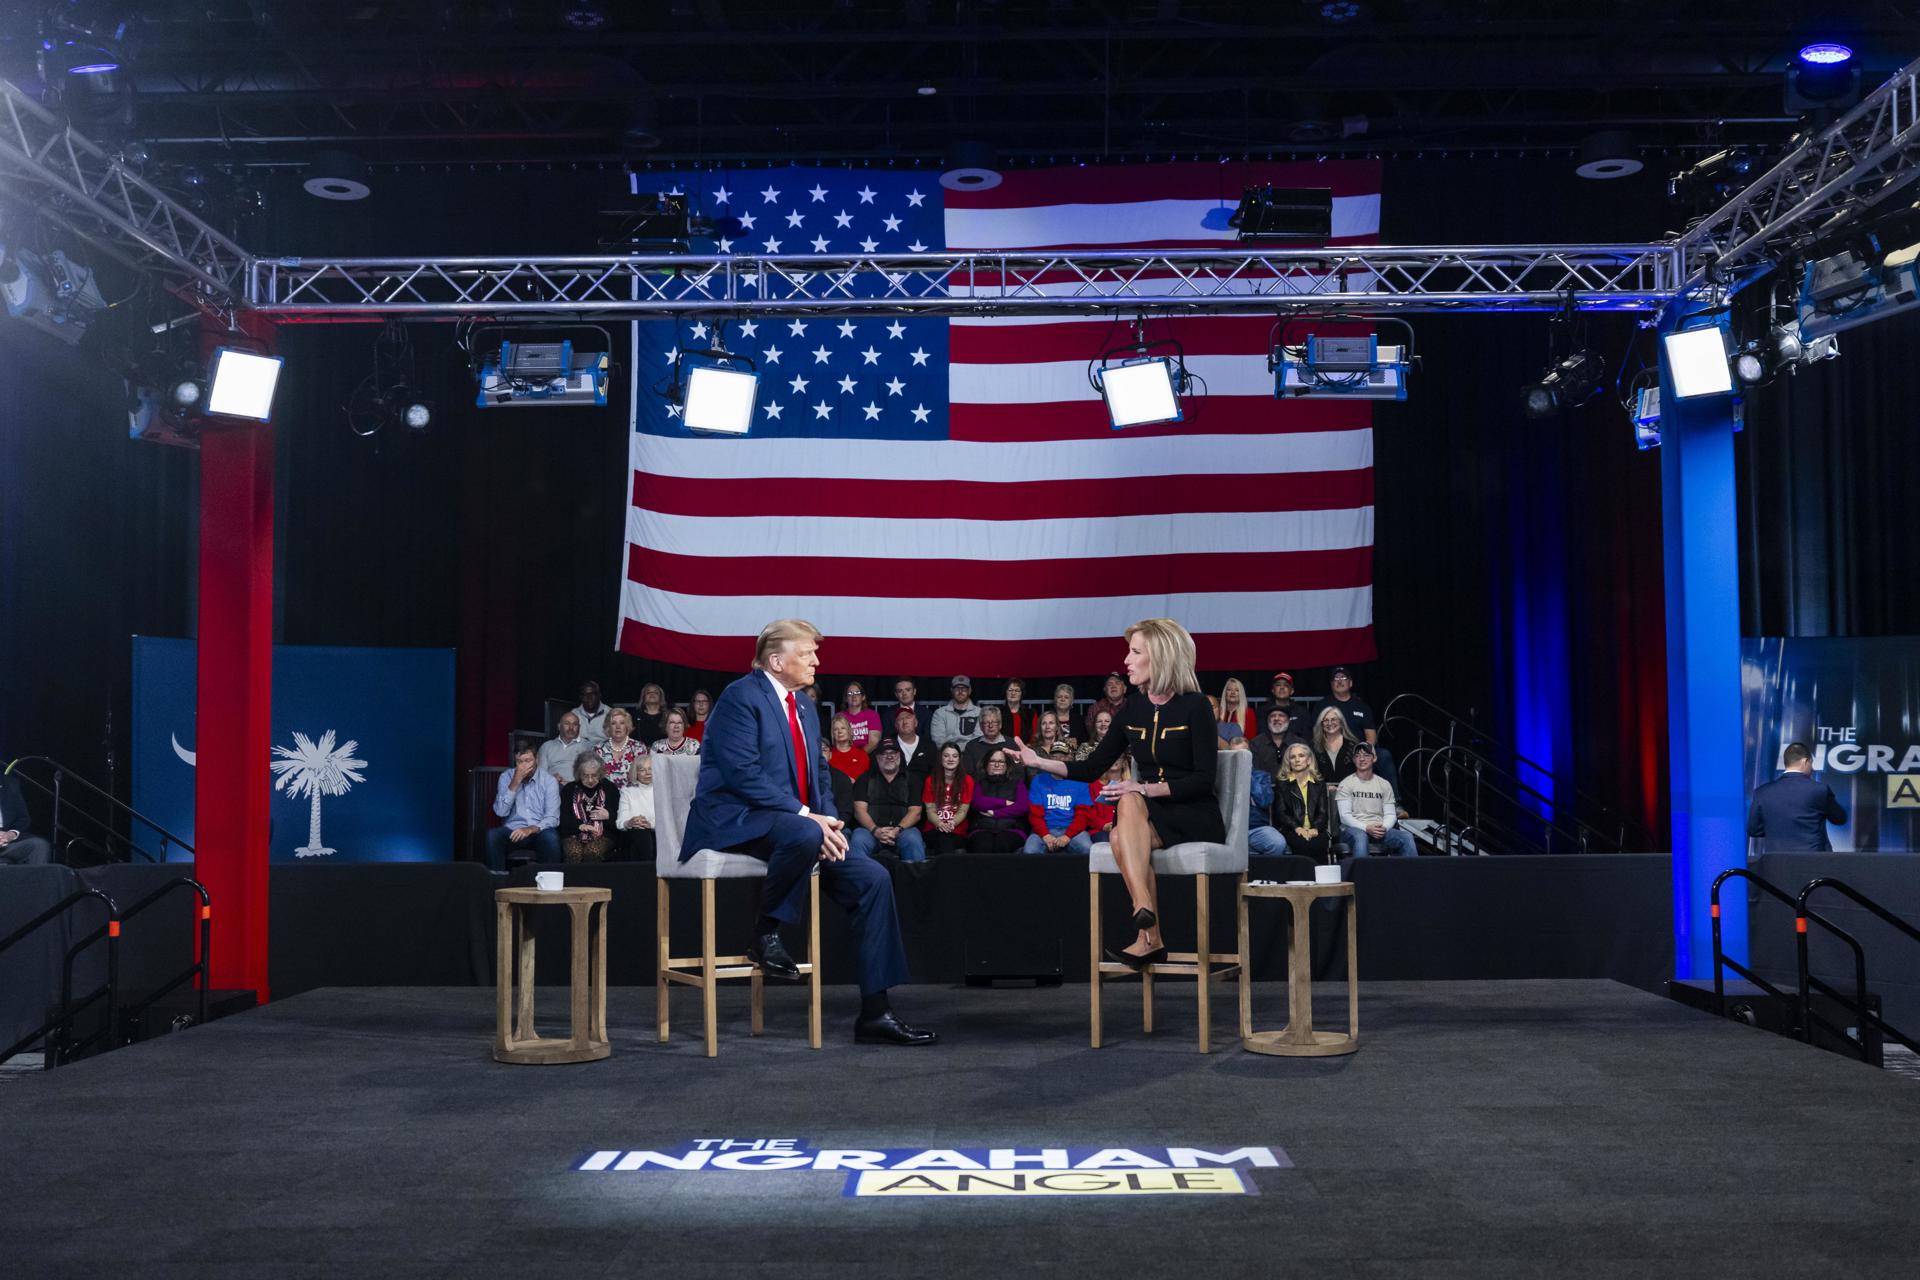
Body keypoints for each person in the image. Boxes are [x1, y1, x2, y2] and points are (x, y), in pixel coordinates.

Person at [680, 618, 932, 1046]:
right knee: (803, 834)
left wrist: (830, 820)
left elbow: (818, 772)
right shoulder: (740, 697)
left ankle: (876, 1013)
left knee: (873, 878)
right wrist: (806, 817)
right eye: (807, 653)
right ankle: (765, 933)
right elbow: (742, 774)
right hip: (737, 818)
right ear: (776, 661)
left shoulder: (803, 705)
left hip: (798, 826)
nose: (816, 660)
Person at [1014, 618, 1220, 968]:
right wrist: (1040, 761)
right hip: (1151, 814)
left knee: (1125, 826)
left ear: (1160, 656)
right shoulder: (1133, 709)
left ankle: (1148, 931)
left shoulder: (1196, 706)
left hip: (1193, 812)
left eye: (1135, 652)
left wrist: (1144, 787)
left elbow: (1203, 779)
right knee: (1126, 805)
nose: (1126, 660)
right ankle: (1145, 919)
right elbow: (1092, 767)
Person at [1747, 741, 1847, 852]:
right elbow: (1839, 819)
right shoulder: (1819, 790)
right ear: (1805, 761)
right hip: (1814, 862)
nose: (1812, 768)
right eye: (1811, 763)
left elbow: (1754, 830)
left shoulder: (1762, 792)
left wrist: (1776, 829)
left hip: (1776, 863)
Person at [848, 739, 926, 863]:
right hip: (871, 831)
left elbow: (915, 812)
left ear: (899, 755)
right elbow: (859, 811)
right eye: (884, 753)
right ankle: (858, 881)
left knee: (913, 840)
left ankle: (916, 881)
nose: (889, 757)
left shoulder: (913, 779)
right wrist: (875, 830)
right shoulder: (864, 778)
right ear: (877, 757)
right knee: (858, 840)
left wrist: (897, 830)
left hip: (903, 831)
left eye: (893, 753)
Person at [485, 745, 561, 872]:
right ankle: (497, 882)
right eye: (520, 762)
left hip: (539, 830)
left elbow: (553, 818)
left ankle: (549, 883)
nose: (524, 766)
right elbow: (500, 812)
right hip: (513, 831)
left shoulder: (549, 781)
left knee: (551, 838)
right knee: (492, 836)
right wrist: (515, 782)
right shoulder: (506, 777)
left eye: (528, 761)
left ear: (536, 759)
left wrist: (530, 829)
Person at [1336, 742, 1415, 858]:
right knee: (1360, 837)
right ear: (1353, 760)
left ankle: (1412, 875)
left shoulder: (1384, 784)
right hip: (1353, 829)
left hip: (1378, 829)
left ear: (1374, 758)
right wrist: (1366, 828)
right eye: (1357, 756)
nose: (1362, 759)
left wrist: (1384, 828)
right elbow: (1344, 817)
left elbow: (1390, 814)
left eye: (1366, 755)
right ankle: (1362, 875)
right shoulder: (1346, 783)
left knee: (1406, 837)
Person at [1023, 741, 1092, 855]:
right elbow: (1035, 814)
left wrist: (1067, 836)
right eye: (1054, 756)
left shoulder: (1080, 781)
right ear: (1049, 758)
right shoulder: (1039, 780)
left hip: (1072, 830)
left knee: (1087, 849)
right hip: (1045, 829)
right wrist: (1045, 835)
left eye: (1062, 756)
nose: (1058, 760)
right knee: (1030, 851)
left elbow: (1083, 815)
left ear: (1068, 758)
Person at [1271, 742, 1332, 861]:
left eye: (1301, 756)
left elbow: (1322, 812)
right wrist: (1298, 828)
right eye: (1292, 757)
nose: (1297, 760)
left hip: (1316, 830)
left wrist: (1315, 828)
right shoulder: (1282, 783)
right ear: (1289, 762)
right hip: (1292, 830)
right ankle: (1303, 878)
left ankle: (1320, 879)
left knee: (1318, 844)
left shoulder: (1319, 783)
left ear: (1309, 760)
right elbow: (1281, 812)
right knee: (1302, 844)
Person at [558, 753, 617, 862]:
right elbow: (562, 817)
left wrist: (609, 816)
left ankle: (593, 880)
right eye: (585, 775)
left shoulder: (610, 788)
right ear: (579, 774)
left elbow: (619, 820)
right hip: (573, 833)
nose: (590, 780)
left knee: (592, 851)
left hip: (604, 834)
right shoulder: (569, 789)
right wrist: (580, 826)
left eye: (594, 775)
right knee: (574, 852)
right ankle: (573, 879)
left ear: (600, 774)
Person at [967, 750, 1028, 852]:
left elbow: (1023, 806)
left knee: (1003, 844)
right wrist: (1005, 803)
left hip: (1012, 828)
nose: (996, 765)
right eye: (992, 761)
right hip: (982, 828)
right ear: (986, 765)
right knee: (982, 845)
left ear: (1007, 765)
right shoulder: (979, 784)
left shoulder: (1017, 784)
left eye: (1001, 761)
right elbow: (978, 802)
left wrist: (996, 813)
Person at [921, 743, 973, 856]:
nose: (950, 759)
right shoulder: (930, 780)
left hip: (957, 830)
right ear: (940, 758)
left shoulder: (967, 781)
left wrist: (951, 824)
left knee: (946, 840)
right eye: (946, 756)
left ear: (959, 759)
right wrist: (940, 824)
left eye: (955, 756)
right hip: (934, 828)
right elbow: (930, 810)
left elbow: (963, 811)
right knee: (942, 839)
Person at [0, 769, 54, 865]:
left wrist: (10, 834)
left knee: (39, 845)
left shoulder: (10, 783)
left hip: (6, 839)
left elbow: (23, 818)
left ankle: (37, 880)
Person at [538, 711, 595, 788]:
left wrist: (573, 784)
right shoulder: (547, 746)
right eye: (567, 724)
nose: (571, 727)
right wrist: (551, 779)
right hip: (553, 787)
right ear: (559, 726)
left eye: (575, 724)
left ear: (579, 727)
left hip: (579, 788)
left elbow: (593, 774)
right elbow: (540, 774)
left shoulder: (588, 746)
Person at [616, 755, 657, 862]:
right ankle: (648, 871)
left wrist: (650, 824)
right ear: (636, 773)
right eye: (642, 770)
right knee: (640, 832)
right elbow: (620, 822)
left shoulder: (662, 789)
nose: (647, 773)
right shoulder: (627, 791)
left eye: (650, 769)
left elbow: (668, 821)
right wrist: (630, 822)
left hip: (657, 833)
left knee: (644, 835)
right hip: (633, 834)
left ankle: (643, 872)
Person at [1249, 705, 1306, 777]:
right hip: (1264, 786)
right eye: (1272, 716)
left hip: (1293, 786)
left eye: (1281, 715)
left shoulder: (1300, 743)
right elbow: (1254, 772)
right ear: (1267, 721)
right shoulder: (1255, 743)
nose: (1276, 718)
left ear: (1288, 720)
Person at [595, 708, 646, 789]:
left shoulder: (638, 747)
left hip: (633, 796)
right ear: (608, 727)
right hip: (606, 796)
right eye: (613, 723)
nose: (618, 726)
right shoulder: (599, 749)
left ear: (627, 726)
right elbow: (595, 777)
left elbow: (644, 777)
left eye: (622, 723)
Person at [1327, 667, 1377, 745]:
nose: (1339, 681)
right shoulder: (1322, 706)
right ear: (1331, 684)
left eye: (1343, 677)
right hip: (1331, 749)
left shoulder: (1362, 707)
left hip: (1359, 750)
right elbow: (1317, 735)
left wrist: (1363, 752)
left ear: (1350, 683)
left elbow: (1371, 737)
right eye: (1336, 678)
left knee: (1384, 754)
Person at [930, 674, 983, 748]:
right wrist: (954, 751)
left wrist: (957, 747)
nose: (960, 691)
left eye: (964, 688)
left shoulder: (980, 712)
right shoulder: (940, 713)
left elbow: (979, 739)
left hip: (972, 755)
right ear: (952, 690)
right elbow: (938, 740)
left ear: (970, 691)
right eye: (957, 688)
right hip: (947, 755)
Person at [1312, 705, 1357, 789]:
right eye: (1325, 720)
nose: (1329, 723)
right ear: (1321, 724)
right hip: (1322, 794)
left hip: (1350, 793)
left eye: (1333, 719)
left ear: (1341, 722)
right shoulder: (1313, 746)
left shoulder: (1354, 745)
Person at [961, 705, 1010, 779]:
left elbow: (1018, 773)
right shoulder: (971, 746)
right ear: (981, 726)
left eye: (994, 722)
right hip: (979, 788)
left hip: (1008, 788)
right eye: (986, 723)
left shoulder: (1011, 744)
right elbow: (968, 775)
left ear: (1000, 725)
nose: (990, 726)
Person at [824, 714, 870, 787]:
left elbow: (866, 780)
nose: (839, 732)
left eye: (843, 728)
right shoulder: (828, 755)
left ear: (849, 731)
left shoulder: (861, 755)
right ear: (833, 734)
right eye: (836, 729)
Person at [890, 704, 933, 781]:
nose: (905, 722)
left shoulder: (929, 746)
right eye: (900, 719)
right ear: (896, 725)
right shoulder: (888, 745)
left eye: (908, 717)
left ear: (916, 722)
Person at [840, 680, 884, 752]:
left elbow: (874, 742)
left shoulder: (872, 715)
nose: (853, 696)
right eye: (850, 693)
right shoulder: (840, 717)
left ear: (863, 697)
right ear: (846, 698)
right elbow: (838, 742)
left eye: (857, 693)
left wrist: (859, 756)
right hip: (846, 754)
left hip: (868, 754)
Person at [1028, 711, 1071, 780]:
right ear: (1040, 728)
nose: (1047, 727)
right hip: (1041, 788)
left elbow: (1071, 773)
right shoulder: (1033, 752)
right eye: (1044, 723)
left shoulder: (1066, 749)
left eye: (1051, 723)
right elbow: (1032, 777)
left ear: (1057, 727)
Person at [1085, 672, 1128, 741]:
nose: (1113, 686)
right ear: (1105, 689)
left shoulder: (1133, 706)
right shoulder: (1094, 708)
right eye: (1109, 684)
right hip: (1102, 746)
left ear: (1125, 689)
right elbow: (1092, 733)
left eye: (1117, 683)